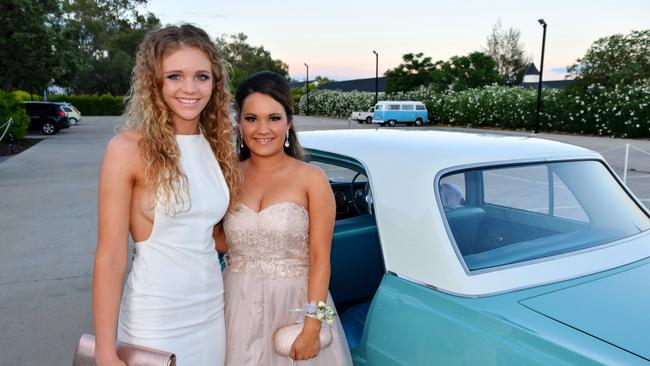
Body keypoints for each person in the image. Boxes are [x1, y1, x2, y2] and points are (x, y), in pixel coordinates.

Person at [92, 24, 240, 366]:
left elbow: (214, 235)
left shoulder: (216, 146)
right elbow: (111, 256)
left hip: (211, 312)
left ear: (215, 83)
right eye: (175, 76)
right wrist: (104, 350)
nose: (190, 88)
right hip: (155, 319)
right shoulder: (127, 149)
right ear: (154, 81)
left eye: (202, 76)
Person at [217, 71, 352, 365]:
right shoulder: (226, 177)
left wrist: (314, 324)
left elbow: (321, 259)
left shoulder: (312, 179)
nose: (262, 129)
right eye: (251, 118)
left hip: (296, 304)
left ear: (288, 123)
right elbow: (217, 239)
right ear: (239, 124)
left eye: (273, 118)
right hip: (236, 303)